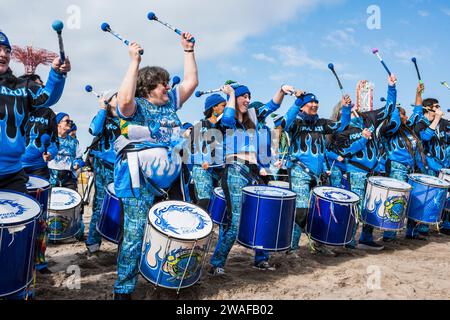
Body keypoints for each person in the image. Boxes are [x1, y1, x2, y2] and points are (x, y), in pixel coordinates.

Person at [112, 31, 198, 300]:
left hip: (171, 182)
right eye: (161, 84)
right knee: (135, 236)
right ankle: (123, 290)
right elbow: (123, 101)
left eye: (166, 82)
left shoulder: (171, 102)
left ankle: (168, 279)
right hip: (139, 181)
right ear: (147, 88)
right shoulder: (136, 106)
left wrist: (188, 50)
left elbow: (191, 82)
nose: (167, 87)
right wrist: (134, 62)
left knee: (177, 229)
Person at [208, 82, 295, 275]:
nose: (247, 100)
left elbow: (273, 105)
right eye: (243, 96)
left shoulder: (254, 116)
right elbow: (230, 118)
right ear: (234, 98)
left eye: (249, 96)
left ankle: (261, 260)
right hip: (235, 172)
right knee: (235, 221)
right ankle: (217, 263)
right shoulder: (225, 117)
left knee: (262, 215)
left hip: (254, 172)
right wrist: (230, 95)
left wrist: (281, 89)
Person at [281, 93, 352, 255]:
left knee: (321, 210)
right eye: (310, 102)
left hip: (319, 174)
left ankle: (319, 244)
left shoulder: (321, 123)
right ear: (302, 106)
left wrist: (346, 108)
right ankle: (291, 247)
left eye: (316, 102)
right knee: (300, 211)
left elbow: (341, 126)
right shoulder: (296, 123)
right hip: (299, 171)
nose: (314, 104)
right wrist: (298, 101)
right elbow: (285, 123)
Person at [0, 31, 70, 193]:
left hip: (12, 175)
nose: (3, 54)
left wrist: (57, 74)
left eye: (7, 50)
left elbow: (47, 96)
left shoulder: (21, 86)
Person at [336, 74, 398, 250]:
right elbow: (345, 150)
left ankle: (366, 238)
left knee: (373, 205)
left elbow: (389, 107)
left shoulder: (372, 119)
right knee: (357, 203)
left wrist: (391, 88)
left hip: (373, 171)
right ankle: (349, 239)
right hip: (356, 170)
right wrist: (362, 139)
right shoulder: (346, 125)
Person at [380, 83, 427, 241]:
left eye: (404, 114)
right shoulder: (389, 131)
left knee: (413, 199)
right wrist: (392, 90)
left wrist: (418, 93)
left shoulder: (410, 129)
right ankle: (389, 233)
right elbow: (391, 116)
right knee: (396, 199)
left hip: (411, 169)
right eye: (401, 114)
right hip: (396, 168)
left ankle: (411, 232)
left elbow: (418, 111)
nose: (404, 117)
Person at [85, 91, 120, 254]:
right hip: (104, 166)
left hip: (123, 166)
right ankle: (93, 243)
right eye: (117, 96)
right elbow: (94, 130)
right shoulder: (104, 118)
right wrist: (102, 108)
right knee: (100, 204)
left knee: (125, 205)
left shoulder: (128, 119)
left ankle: (121, 241)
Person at [413, 96, 449, 236]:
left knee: (440, 197)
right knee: (426, 196)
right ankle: (420, 228)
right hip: (426, 166)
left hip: (441, 166)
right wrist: (437, 120)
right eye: (436, 106)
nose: (439, 109)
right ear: (429, 108)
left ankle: (440, 224)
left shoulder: (441, 123)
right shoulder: (420, 123)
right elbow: (425, 137)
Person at [190, 93, 227, 210]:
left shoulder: (224, 126)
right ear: (214, 107)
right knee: (205, 200)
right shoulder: (200, 125)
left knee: (220, 202)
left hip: (220, 169)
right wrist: (202, 161)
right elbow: (191, 148)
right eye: (223, 105)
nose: (226, 108)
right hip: (202, 168)